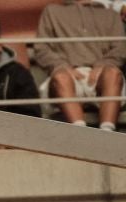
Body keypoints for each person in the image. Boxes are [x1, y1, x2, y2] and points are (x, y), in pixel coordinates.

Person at [31, 0, 124, 129]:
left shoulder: (111, 14)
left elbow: (120, 47)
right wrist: (62, 66)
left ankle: (107, 133)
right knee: (61, 77)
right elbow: (41, 48)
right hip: (68, 75)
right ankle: (80, 133)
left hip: (101, 76)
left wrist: (104, 64)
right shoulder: (52, 11)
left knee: (113, 74)